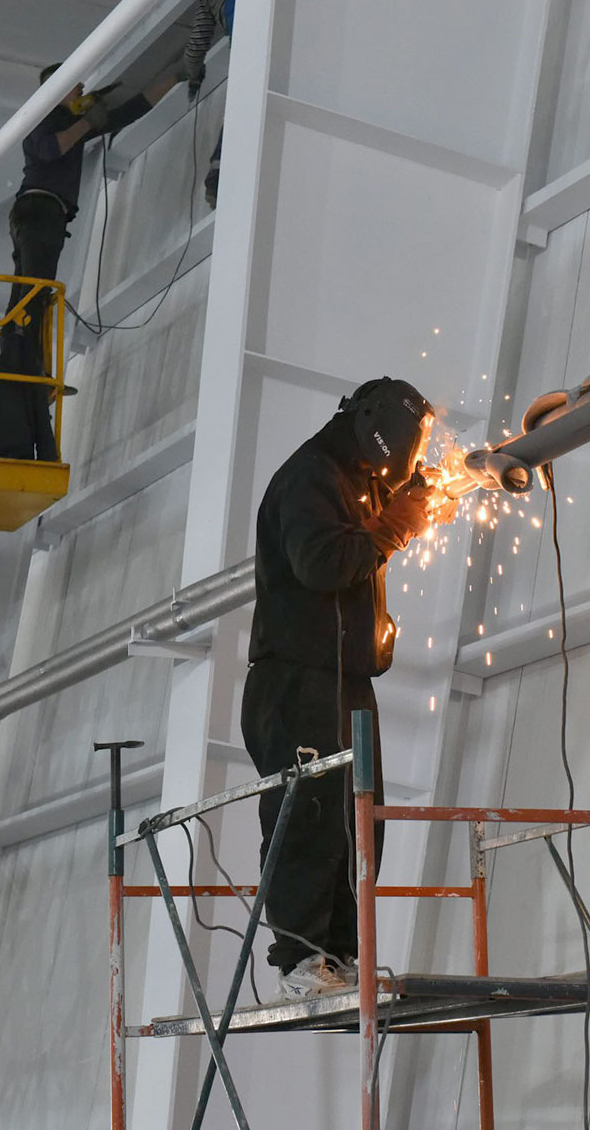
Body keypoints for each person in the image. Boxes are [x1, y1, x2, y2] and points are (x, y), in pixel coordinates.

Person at [242, 376, 453, 999]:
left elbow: (373, 533)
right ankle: (300, 962)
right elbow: (321, 563)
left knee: (356, 824)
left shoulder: (359, 483)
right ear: (376, 427)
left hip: (345, 684)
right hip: (297, 682)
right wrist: (398, 524)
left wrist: (415, 503)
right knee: (308, 820)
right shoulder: (310, 476)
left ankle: (337, 956)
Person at [0, 65, 177, 460]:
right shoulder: (42, 117)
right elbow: (51, 149)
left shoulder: (71, 122)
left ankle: (26, 368)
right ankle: (21, 372)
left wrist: (174, 77)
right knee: (31, 300)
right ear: (57, 89)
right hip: (38, 211)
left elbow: (128, 112)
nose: (83, 89)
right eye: (76, 85)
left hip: (44, 216)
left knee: (30, 300)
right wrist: (87, 121)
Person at [179, 0, 236, 208]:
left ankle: (219, 176)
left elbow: (195, 50)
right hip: (283, 18)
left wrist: (194, 77)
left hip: (246, 40)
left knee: (241, 108)